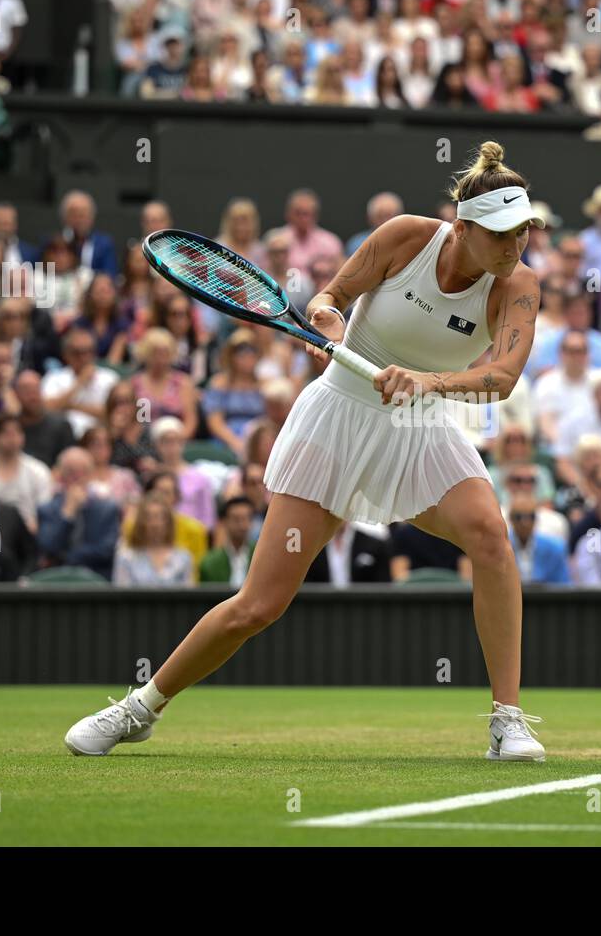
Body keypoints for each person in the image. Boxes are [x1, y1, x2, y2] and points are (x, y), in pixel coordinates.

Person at [65, 142, 549, 761]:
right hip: (338, 422)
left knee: (490, 536)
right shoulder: (405, 238)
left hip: (422, 430)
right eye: (504, 235)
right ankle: (139, 707)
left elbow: (504, 376)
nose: (517, 247)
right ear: (463, 227)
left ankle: (507, 719)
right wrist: (327, 321)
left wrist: (428, 382)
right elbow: (328, 298)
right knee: (259, 605)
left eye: (525, 232)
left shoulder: (519, 285)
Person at [36, 447, 121, 579]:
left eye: (83, 471)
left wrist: (65, 557)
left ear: (91, 474)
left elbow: (106, 550)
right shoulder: (48, 509)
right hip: (56, 580)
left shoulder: (107, 508)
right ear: (61, 475)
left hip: (97, 578)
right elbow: (48, 546)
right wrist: (67, 515)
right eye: (71, 472)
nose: (77, 477)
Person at [114, 496, 194, 587]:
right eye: (149, 517)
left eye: (160, 517)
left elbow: (188, 595)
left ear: (168, 521)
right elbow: (122, 596)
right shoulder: (126, 557)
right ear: (141, 521)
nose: (155, 523)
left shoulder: (183, 558)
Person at [507, 493, 571, 584]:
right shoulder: (499, 548)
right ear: (510, 518)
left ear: (536, 519)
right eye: (519, 517)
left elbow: (564, 586)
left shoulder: (555, 548)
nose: (525, 522)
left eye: (531, 517)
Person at [199, 496, 256, 587]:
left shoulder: (261, 556)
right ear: (225, 522)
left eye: (245, 519)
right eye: (236, 519)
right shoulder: (210, 562)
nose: (241, 525)